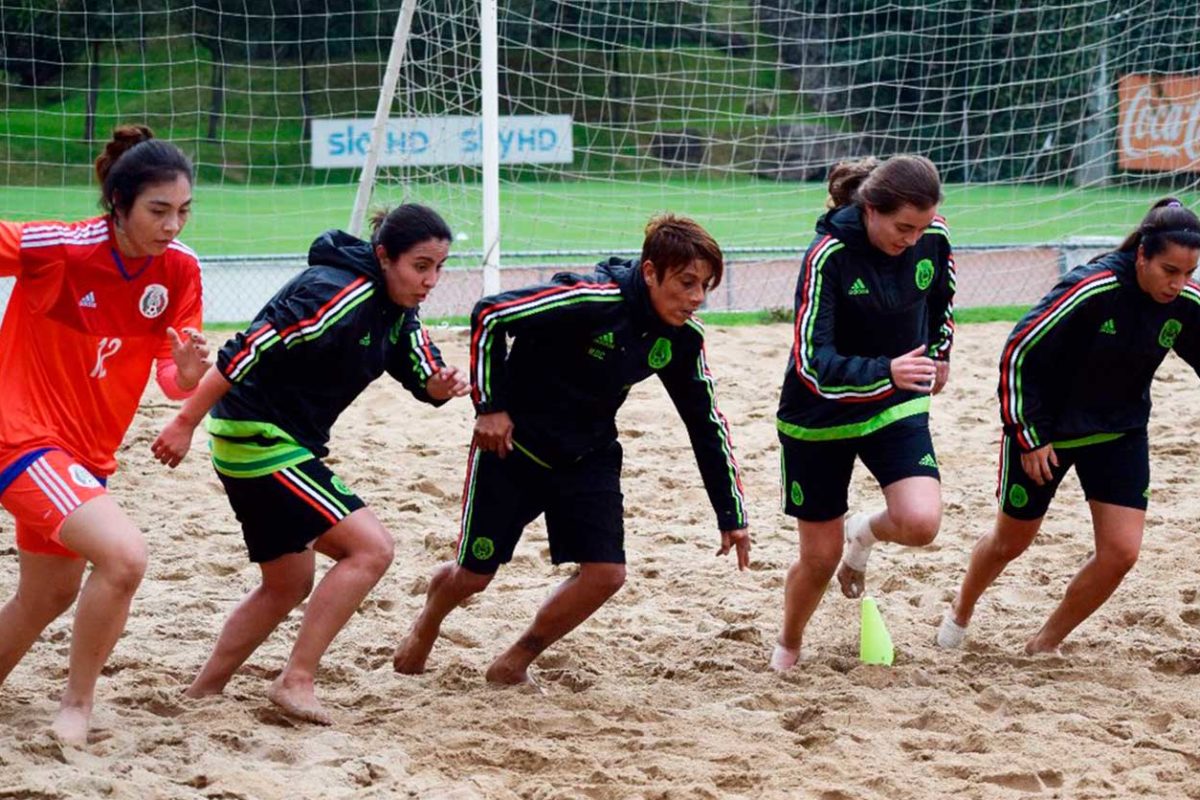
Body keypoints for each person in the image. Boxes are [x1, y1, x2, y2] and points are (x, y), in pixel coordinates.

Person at [392, 213, 750, 687]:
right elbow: (490, 314)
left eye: (706, 285)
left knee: (606, 575)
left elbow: (705, 422)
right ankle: (428, 622)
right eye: (686, 283)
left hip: (588, 456)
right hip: (513, 451)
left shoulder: (683, 338)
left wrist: (731, 512)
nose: (697, 298)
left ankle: (515, 659)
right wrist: (491, 407)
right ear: (650, 272)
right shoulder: (589, 297)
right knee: (474, 576)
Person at [151, 204, 469, 724]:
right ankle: (296, 679)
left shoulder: (397, 307)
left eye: (439, 266)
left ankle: (201, 693)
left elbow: (422, 366)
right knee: (371, 548)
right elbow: (245, 349)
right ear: (384, 256)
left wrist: (440, 384)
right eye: (421, 266)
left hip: (273, 440)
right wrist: (184, 421)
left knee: (286, 585)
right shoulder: (335, 293)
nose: (431, 280)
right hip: (259, 436)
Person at [0, 124, 208, 744]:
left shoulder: (178, 271)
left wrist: (188, 374)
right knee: (124, 557)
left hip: (86, 457)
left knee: (48, 594)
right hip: (22, 437)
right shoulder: (62, 249)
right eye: (159, 210)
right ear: (118, 204)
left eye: (184, 211)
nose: (173, 225)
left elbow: (172, 376)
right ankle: (77, 707)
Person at [937, 198, 1200, 655]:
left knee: (1121, 553)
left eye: (1189, 272)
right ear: (1142, 255)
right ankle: (961, 609)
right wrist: (1029, 436)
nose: (1178, 284)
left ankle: (1044, 645)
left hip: (1119, 433)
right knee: (1009, 542)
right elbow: (1019, 351)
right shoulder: (1091, 288)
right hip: (1047, 434)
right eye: (1169, 270)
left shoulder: (1184, 303)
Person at [770, 155, 955, 671]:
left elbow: (942, 300)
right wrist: (885, 371)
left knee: (921, 522)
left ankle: (865, 533)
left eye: (922, 226)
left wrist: (940, 352)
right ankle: (788, 642)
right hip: (818, 417)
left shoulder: (933, 237)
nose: (913, 239)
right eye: (902, 227)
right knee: (819, 558)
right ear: (870, 209)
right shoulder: (828, 255)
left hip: (894, 405)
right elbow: (812, 364)